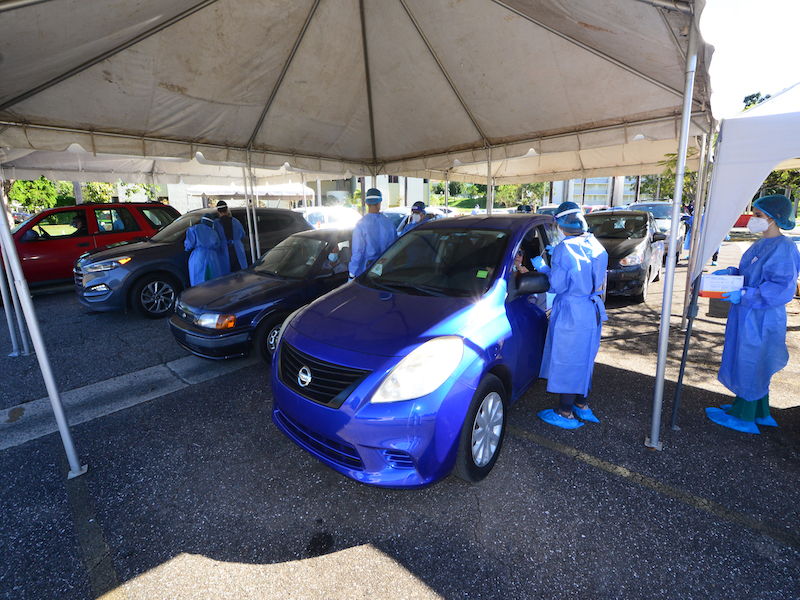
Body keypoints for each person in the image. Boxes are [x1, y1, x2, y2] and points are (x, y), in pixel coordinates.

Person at [706, 195, 800, 434]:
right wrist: (732, 273)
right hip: (748, 313)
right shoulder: (761, 244)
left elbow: (781, 288)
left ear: (774, 218)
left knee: (753, 363)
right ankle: (759, 410)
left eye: (758, 216)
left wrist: (745, 295)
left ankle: (744, 417)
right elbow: (752, 273)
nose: (753, 219)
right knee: (749, 362)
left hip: (762, 316)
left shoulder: (784, 248)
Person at [532, 201, 609, 430]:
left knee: (568, 359)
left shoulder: (564, 249)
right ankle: (581, 405)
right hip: (591, 308)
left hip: (571, 311)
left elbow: (556, 285)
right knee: (585, 357)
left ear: (561, 223)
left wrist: (543, 267)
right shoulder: (594, 243)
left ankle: (565, 412)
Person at [349, 188, 397, 278]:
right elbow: (396, 245)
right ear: (380, 202)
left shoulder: (361, 224)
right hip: (387, 268)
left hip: (369, 269)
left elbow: (358, 252)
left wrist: (352, 272)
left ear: (367, 203)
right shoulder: (389, 223)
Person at [185, 213, 221, 286]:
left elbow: (189, 244)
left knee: (198, 281)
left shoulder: (194, 229)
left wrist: (187, 248)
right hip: (212, 257)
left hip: (199, 257)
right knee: (213, 281)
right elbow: (217, 246)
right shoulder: (214, 232)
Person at [213, 200, 248, 275]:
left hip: (223, 252)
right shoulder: (236, 221)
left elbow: (214, 238)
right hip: (237, 251)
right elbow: (242, 234)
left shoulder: (216, 224)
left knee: (226, 277)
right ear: (227, 209)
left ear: (217, 211)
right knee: (240, 275)